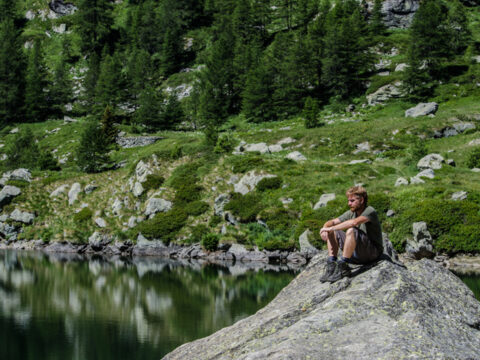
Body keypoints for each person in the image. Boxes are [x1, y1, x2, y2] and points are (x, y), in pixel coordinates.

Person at [319, 186, 383, 283]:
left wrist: (330, 228)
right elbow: (331, 222)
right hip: (357, 255)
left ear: (361, 200)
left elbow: (354, 223)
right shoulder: (351, 213)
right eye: (349, 200)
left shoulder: (370, 211)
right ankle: (332, 264)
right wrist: (325, 229)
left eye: (352, 201)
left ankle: (343, 267)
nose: (349, 204)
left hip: (372, 253)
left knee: (351, 230)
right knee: (333, 231)